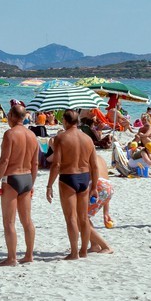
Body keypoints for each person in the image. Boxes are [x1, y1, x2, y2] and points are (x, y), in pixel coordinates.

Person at [46, 109, 97, 258]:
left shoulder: (61, 138)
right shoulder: (87, 138)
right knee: (83, 218)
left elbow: (56, 164)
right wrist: (93, 187)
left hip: (68, 178)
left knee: (71, 218)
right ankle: (83, 251)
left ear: (66, 121)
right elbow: (94, 165)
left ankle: (74, 252)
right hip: (84, 177)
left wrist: (49, 185)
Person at [0, 104, 38, 266]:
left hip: (12, 178)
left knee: (9, 221)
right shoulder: (32, 135)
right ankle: (29, 255)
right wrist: (32, 183)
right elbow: (35, 164)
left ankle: (12, 258)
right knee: (27, 221)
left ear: (11, 116)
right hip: (26, 178)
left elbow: (4, 160)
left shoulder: (10, 134)